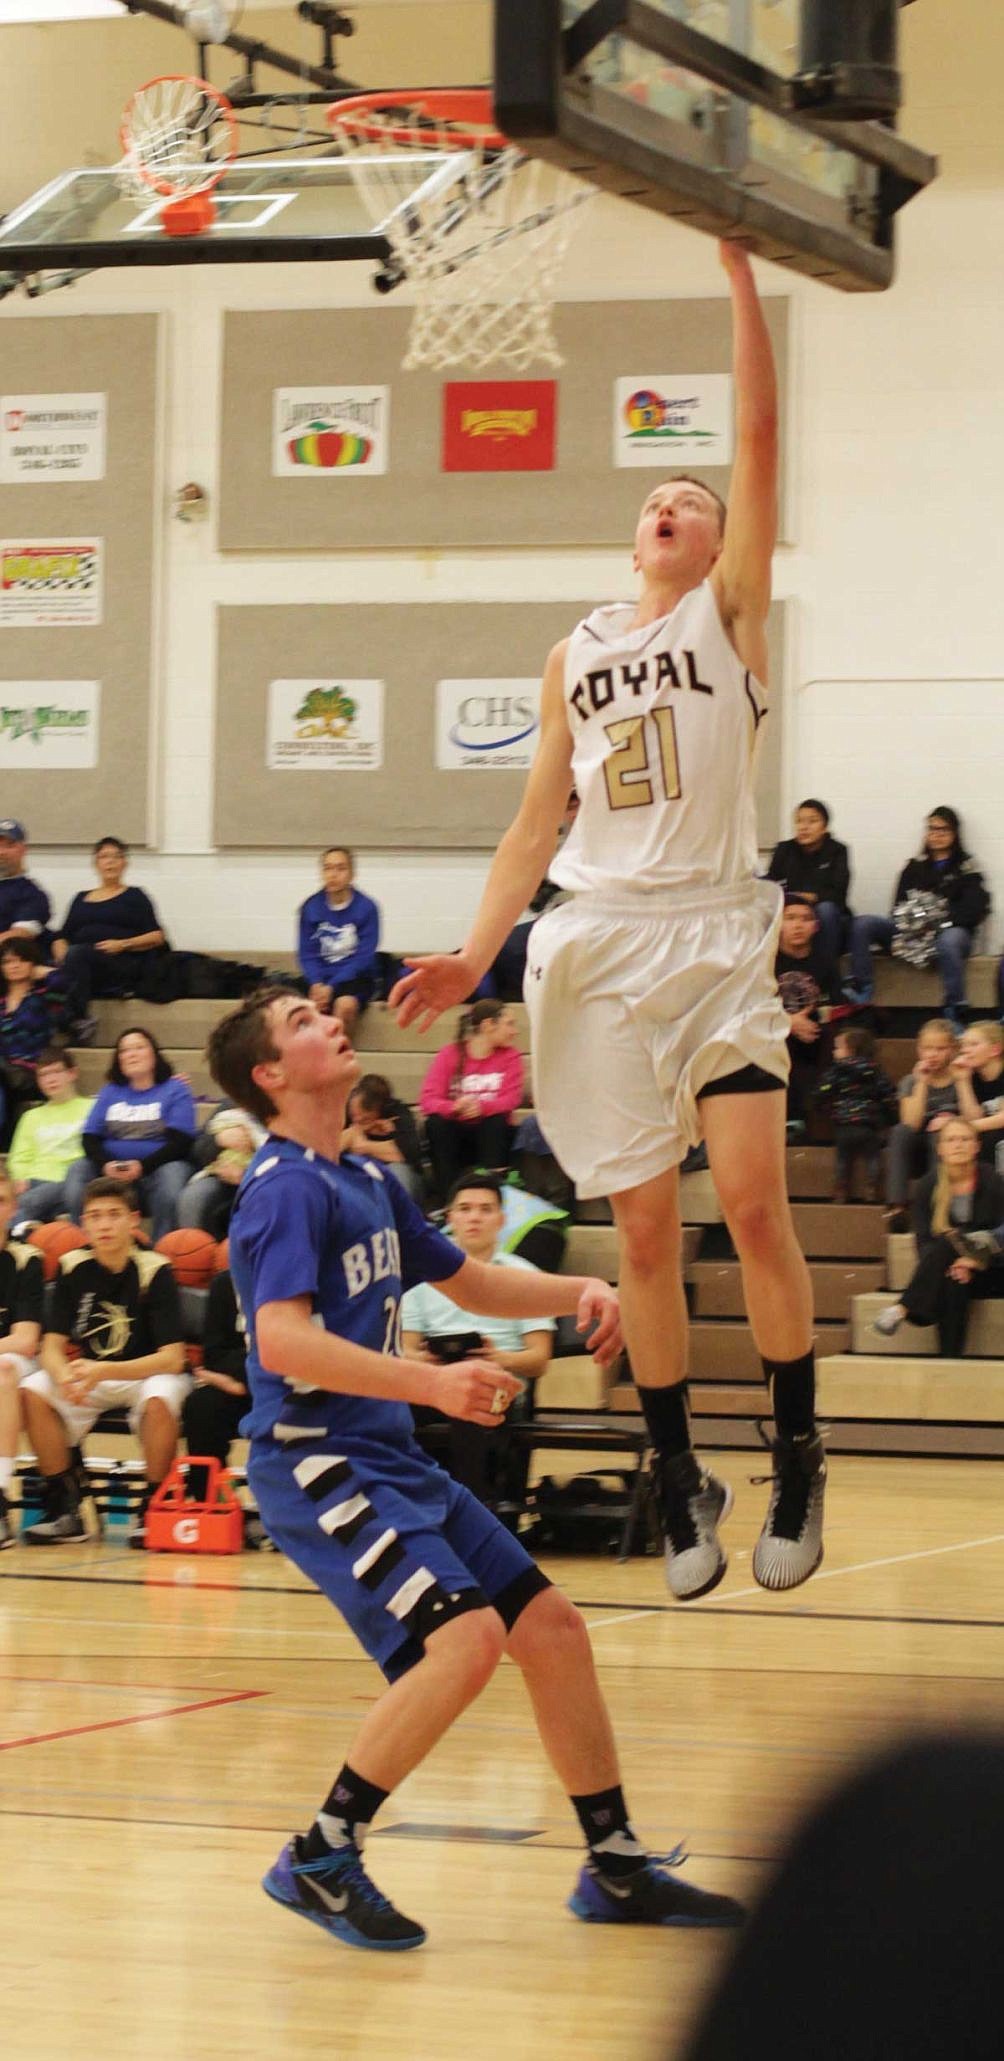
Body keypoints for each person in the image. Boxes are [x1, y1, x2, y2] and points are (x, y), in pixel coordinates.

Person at [393, 241, 826, 1600]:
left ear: (716, 542)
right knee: (639, 1236)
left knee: (749, 1202)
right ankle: (677, 1470)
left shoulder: (731, 616)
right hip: (592, 940)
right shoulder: (574, 651)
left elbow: (755, 434)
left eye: (690, 502)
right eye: (656, 498)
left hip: (710, 935)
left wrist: (742, 278)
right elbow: (537, 821)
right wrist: (477, 945)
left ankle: (800, 1452)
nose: (672, 506)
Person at [207, 985, 743, 1947]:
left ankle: (615, 1866)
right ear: (271, 1076)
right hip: (317, 1461)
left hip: (387, 1455)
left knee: (552, 1627)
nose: (329, 1020)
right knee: (465, 1640)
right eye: (301, 1023)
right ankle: (322, 1855)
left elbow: (473, 1279)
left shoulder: (367, 1179)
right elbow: (283, 1344)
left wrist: (582, 1284)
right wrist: (434, 1383)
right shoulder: (283, 1186)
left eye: (321, 1013)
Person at [20, 1177, 188, 1546]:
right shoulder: (71, 1265)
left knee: (161, 1397)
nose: (105, 1224)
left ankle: (154, 1507)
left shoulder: (156, 1269)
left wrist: (103, 1370)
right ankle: (66, 1509)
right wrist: (65, 1377)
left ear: (134, 1220)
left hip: (145, 1374)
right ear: (83, 1223)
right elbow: (50, 1347)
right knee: (32, 1390)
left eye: (114, 1215)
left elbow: (173, 1359)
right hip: (91, 1376)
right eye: (95, 1216)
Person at [402, 1171, 554, 1511]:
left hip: (500, 1387)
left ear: (501, 1220)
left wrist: (498, 1358)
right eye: (466, 1209)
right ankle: (401, 1507)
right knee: (387, 1401)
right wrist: (425, 1362)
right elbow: (404, 1350)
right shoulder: (424, 1279)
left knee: (470, 1393)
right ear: (450, 1217)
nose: (474, 1217)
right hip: (435, 1382)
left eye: (485, 1210)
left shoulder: (526, 1277)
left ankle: (473, 1511)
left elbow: (539, 1359)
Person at [845, 807, 991, 1026]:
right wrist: (913, 930)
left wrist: (938, 923)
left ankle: (955, 1007)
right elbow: (898, 908)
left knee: (950, 940)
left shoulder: (967, 867)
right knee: (863, 924)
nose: (937, 834)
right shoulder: (914, 867)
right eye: (932, 829)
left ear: (955, 834)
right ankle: (862, 991)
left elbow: (974, 908)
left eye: (944, 829)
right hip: (911, 934)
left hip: (950, 933)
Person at [871, 1117, 1004, 1354]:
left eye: (965, 1139)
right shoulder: (927, 1186)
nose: (958, 1145)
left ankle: (903, 1308)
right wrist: (958, 1264)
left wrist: (974, 1262)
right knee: (952, 1276)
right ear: (940, 1148)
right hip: (947, 1269)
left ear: (977, 1146)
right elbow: (923, 1243)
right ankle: (951, 1361)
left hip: (993, 1270)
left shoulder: (994, 1182)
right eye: (951, 1140)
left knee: (949, 1242)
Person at [64, 1026, 196, 1242]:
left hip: (156, 1169)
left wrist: (142, 1167)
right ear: (118, 1059)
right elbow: (89, 1138)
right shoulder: (110, 1091)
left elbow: (181, 1142)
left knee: (173, 1175)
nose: (131, 1054)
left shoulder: (175, 1089)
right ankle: (82, 1243)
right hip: (111, 1169)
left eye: (138, 1047)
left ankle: (163, 1248)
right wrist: (106, 1164)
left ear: (154, 1053)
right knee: (77, 1170)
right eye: (124, 1050)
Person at [419, 1000, 525, 1205]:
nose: (515, 1031)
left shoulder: (511, 1057)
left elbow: (511, 1099)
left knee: (495, 1121)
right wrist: (454, 1107)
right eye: (509, 1024)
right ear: (487, 1026)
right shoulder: (449, 1054)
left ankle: (495, 1192)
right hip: (458, 1133)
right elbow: (428, 1100)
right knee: (436, 1123)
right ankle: (449, 1200)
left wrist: (481, 1107)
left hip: (492, 1135)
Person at [52, 835, 170, 1015]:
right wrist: (61, 950)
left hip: (120, 962)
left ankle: (77, 1019)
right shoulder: (80, 898)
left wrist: (123, 944)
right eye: (104, 857)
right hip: (81, 961)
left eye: (116, 857)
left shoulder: (135, 896)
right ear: (95, 864)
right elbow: (62, 935)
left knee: (78, 955)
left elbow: (157, 936)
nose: (110, 862)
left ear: (125, 863)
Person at [0, 1158, 45, 1548]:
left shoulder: (26, 1260)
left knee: (3, 1370)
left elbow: (25, 1339)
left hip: (18, 1364)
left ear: (12, 1206)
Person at [883, 1018, 961, 1233]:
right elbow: (911, 1123)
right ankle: (897, 1207)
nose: (932, 1054)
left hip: (946, 1144)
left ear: (953, 1050)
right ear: (918, 1050)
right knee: (899, 1131)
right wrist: (922, 1084)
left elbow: (971, 1117)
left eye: (940, 1048)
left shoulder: (960, 1077)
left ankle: (936, 1206)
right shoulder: (911, 1081)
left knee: (939, 1135)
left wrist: (950, 1122)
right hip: (915, 1146)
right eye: (927, 1048)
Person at [181, 1261, 249, 1500]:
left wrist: (245, 1381)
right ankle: (209, 1501)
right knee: (201, 1406)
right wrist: (241, 1380)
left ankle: (294, 1511)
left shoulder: (297, 1280)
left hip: (286, 1384)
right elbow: (214, 1353)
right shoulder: (224, 1284)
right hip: (239, 1385)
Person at [774, 895, 841, 1136]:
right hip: (775, 1033)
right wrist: (789, 1022)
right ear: (777, 923)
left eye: (805, 919)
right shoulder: (765, 961)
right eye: (790, 918)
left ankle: (826, 1116)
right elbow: (750, 1008)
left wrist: (810, 1022)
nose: (798, 925)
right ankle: (792, 1119)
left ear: (815, 926)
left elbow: (836, 1004)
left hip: (815, 1034)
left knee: (834, 1039)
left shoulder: (825, 963)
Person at [298, 846, 380, 1037]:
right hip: (320, 978)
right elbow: (307, 953)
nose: (333, 875)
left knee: (344, 1006)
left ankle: (337, 1060)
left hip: (353, 977)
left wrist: (332, 986)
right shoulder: (311, 908)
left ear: (352, 874)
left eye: (340, 868)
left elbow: (364, 956)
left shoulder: (366, 908)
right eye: (327, 868)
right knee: (304, 1008)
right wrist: (316, 983)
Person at [8, 1047, 92, 1229]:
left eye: (56, 1072)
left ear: (72, 1073)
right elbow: (19, 1157)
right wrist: (20, 1178)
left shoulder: (92, 1108)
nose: (50, 1080)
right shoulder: (31, 1116)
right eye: (43, 1075)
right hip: (36, 1181)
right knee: (30, 1200)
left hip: (73, 1182)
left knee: (27, 1203)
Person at [0, 937, 73, 1143]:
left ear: (32, 963)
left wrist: (46, 972)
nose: (14, 966)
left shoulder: (43, 997)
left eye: (21, 960)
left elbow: (64, 982)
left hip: (31, 1068)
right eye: (7, 962)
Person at [814, 1025, 897, 1202]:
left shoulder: (836, 1070)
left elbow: (823, 1090)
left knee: (843, 1158)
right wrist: (890, 1118)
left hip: (844, 1124)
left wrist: (820, 1107)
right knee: (873, 1156)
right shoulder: (875, 1070)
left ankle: (841, 1188)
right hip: (869, 1124)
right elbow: (887, 1093)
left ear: (850, 1050)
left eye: (837, 1048)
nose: (834, 1052)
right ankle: (872, 1187)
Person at [765, 799, 851, 962]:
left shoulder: (837, 851)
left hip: (827, 912)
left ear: (824, 827)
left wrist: (809, 897)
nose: (804, 827)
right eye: (799, 821)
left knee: (825, 909)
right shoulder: (784, 850)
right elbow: (772, 886)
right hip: (790, 909)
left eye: (812, 821)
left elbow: (838, 893)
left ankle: (826, 970)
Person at [178, 1106, 264, 1239]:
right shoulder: (229, 1105)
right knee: (194, 1196)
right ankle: (193, 1251)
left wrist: (247, 1175)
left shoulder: (288, 1107)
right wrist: (219, 1140)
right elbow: (197, 1151)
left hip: (264, 1178)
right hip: (220, 1177)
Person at [341, 1072, 424, 1201]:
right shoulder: (344, 1111)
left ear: (381, 1110)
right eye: (353, 1116)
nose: (356, 1121)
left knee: (398, 1172)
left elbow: (405, 1153)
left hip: (397, 1174)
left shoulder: (399, 1114)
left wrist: (363, 1146)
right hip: (359, 1171)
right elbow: (331, 1148)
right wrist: (362, 1128)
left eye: (365, 1119)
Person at [953, 1020, 1004, 1170]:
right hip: (988, 1133)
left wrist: (961, 1127)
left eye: (973, 1045)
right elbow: (974, 1117)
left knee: (990, 1138)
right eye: (964, 1045)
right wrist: (962, 1081)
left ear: (995, 1049)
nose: (965, 1051)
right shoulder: (972, 1076)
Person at [0, 819, 52, 955]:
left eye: (9, 845)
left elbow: (19, 935)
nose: (2, 852)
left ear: (23, 850)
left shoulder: (32, 894)